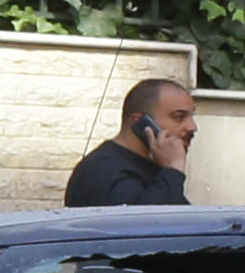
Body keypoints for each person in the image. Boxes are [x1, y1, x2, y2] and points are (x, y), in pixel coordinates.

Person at [64, 77, 196, 205]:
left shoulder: (156, 168)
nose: (192, 127)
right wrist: (174, 167)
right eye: (179, 117)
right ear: (140, 122)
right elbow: (147, 220)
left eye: (191, 116)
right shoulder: (103, 169)